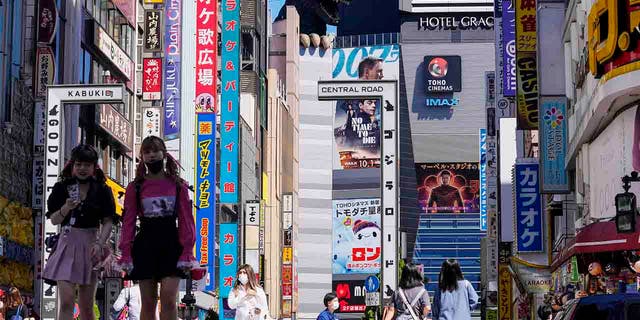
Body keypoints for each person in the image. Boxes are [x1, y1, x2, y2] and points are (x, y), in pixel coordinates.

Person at [118, 135, 196, 320]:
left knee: (169, 300)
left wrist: (187, 251)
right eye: (147, 152)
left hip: (171, 242)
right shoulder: (135, 187)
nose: (151, 155)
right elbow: (128, 221)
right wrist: (126, 253)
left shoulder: (178, 186)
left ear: (164, 154)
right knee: (148, 301)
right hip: (145, 243)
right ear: (142, 157)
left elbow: (186, 220)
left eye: (155, 151)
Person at [42, 144, 117, 320]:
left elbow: (108, 221)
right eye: (79, 164)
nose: (82, 168)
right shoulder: (62, 187)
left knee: (86, 305)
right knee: (67, 302)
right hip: (67, 244)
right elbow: (54, 220)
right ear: (72, 165)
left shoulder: (102, 190)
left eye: (87, 165)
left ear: (94, 167)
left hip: (90, 245)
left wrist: (100, 243)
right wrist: (66, 208)